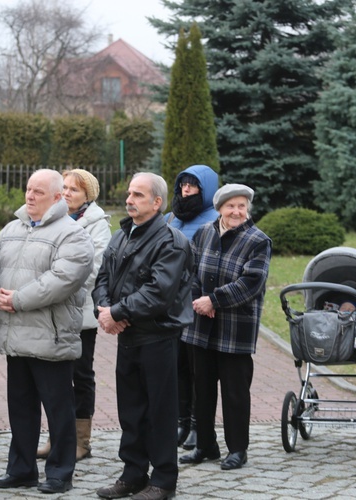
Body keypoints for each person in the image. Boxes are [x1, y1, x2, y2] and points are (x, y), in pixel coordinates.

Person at [0, 169, 93, 494]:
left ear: (58, 197)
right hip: (15, 335)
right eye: (28, 189)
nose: (30, 196)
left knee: (59, 410)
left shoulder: (73, 234)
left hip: (51, 338)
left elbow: (61, 280)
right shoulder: (12, 228)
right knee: (20, 408)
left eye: (38, 192)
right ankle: (21, 469)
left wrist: (17, 300)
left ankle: (60, 473)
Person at [93, 172, 193, 500]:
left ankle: (164, 481)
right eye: (129, 193)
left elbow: (159, 293)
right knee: (131, 410)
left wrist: (116, 313)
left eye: (138, 195)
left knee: (160, 412)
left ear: (157, 202)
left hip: (158, 337)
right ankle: (133, 473)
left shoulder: (171, 241)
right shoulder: (121, 235)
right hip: (128, 336)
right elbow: (103, 277)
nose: (129, 199)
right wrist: (105, 310)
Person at [179, 184, 271, 472]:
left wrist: (214, 300)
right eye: (231, 206)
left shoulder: (258, 240)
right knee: (201, 390)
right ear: (219, 208)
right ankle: (206, 445)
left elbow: (250, 283)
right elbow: (190, 272)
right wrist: (197, 301)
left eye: (242, 206)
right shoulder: (205, 233)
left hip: (235, 329)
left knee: (235, 392)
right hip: (200, 326)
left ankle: (237, 449)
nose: (236, 211)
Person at [36, 169, 111, 462]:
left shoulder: (97, 225)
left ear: (87, 196)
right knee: (55, 377)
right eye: (64, 187)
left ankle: (81, 441)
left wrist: (57, 280)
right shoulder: (52, 217)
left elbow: (93, 269)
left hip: (81, 314)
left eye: (74, 190)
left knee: (80, 376)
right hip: (52, 311)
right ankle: (57, 436)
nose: (67, 193)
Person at [166, 164, 219, 450]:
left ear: (206, 188)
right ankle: (181, 421)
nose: (187, 189)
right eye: (183, 184)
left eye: (193, 185)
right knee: (178, 367)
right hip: (170, 303)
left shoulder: (214, 219)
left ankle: (200, 425)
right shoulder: (171, 217)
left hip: (198, 304)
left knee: (200, 369)